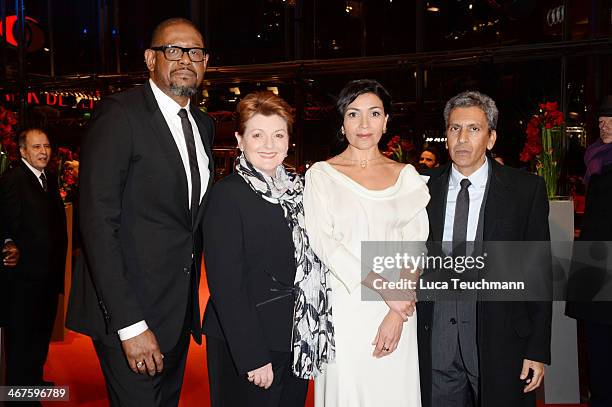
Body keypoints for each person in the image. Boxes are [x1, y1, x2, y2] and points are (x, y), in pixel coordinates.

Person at [66, 17, 214, 407]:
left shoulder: (203, 125)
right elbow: (97, 224)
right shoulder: (120, 115)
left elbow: (187, 223)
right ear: (151, 59)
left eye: (195, 52)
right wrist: (130, 325)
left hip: (178, 314)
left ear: (205, 62)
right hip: (130, 313)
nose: (185, 59)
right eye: (173, 50)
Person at [417, 91, 552, 407]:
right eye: (454, 129)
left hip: (500, 340)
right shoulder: (420, 188)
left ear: (491, 138)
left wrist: (537, 348)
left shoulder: (524, 190)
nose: (462, 138)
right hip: (435, 340)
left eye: (473, 129)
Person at [203, 91, 332, 407]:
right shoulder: (227, 196)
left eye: (278, 134)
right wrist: (252, 356)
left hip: (296, 338)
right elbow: (226, 285)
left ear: (289, 140)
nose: (269, 145)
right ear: (240, 139)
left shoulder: (301, 193)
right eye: (257, 134)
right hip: (247, 343)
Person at [304, 79, 428, 406]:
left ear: (386, 121)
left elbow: (416, 245)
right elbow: (324, 243)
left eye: (374, 114)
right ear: (342, 122)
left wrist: (397, 311)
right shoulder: (321, 175)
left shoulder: (407, 176)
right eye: (354, 114)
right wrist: (385, 290)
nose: (364, 124)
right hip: (345, 306)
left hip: (398, 307)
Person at [0, 128, 67, 391]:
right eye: (37, 147)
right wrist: (7, 243)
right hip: (23, 283)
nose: (43, 152)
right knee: (21, 345)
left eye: (46, 146)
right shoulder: (13, 179)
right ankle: (19, 398)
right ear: (23, 151)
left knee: (39, 340)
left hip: (47, 280)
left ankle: (33, 384)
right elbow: (4, 221)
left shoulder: (47, 178)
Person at [565, 95, 612, 407]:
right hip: (596, 265)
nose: (604, 125)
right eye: (601, 121)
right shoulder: (596, 161)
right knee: (596, 343)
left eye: (611, 119)